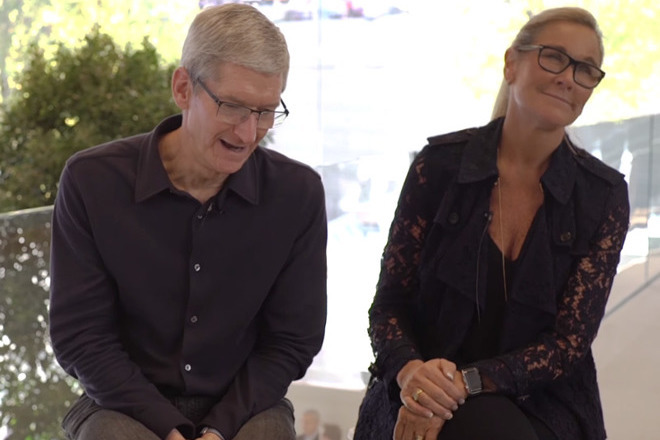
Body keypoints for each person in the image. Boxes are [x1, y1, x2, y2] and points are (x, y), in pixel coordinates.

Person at [49, 4, 327, 440]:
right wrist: (170, 429)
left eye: (266, 111)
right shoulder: (91, 182)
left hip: (246, 406)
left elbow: (292, 341)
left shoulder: (298, 195)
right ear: (183, 88)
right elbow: (81, 337)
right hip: (122, 405)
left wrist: (218, 429)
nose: (248, 134)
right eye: (233, 107)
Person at [353, 7, 629, 440]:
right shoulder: (439, 167)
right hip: (419, 384)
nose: (569, 78)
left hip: (542, 402)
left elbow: (567, 345)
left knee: (485, 426)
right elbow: (389, 305)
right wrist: (412, 376)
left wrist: (465, 384)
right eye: (554, 57)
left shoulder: (602, 195)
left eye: (586, 70)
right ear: (510, 63)